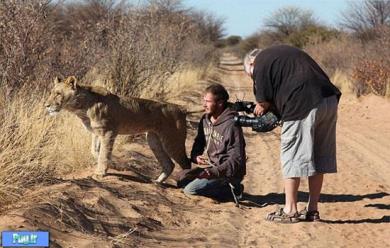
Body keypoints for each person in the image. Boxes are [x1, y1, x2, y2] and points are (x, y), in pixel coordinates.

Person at [244, 45, 341, 223]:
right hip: (329, 100)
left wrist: (257, 109)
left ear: (251, 63)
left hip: (303, 104)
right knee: (318, 157)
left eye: (251, 75)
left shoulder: (260, 63)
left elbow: (263, 104)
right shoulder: (283, 55)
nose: (254, 78)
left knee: (291, 156)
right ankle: (312, 210)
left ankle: (290, 210)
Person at [181, 83, 246, 200]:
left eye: (208, 101)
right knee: (182, 179)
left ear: (220, 103)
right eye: (204, 100)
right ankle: (219, 187)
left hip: (227, 173)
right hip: (212, 167)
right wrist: (196, 156)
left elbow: (237, 158)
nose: (204, 104)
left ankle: (233, 190)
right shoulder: (205, 119)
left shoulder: (232, 124)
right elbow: (199, 142)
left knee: (190, 190)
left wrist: (215, 171)